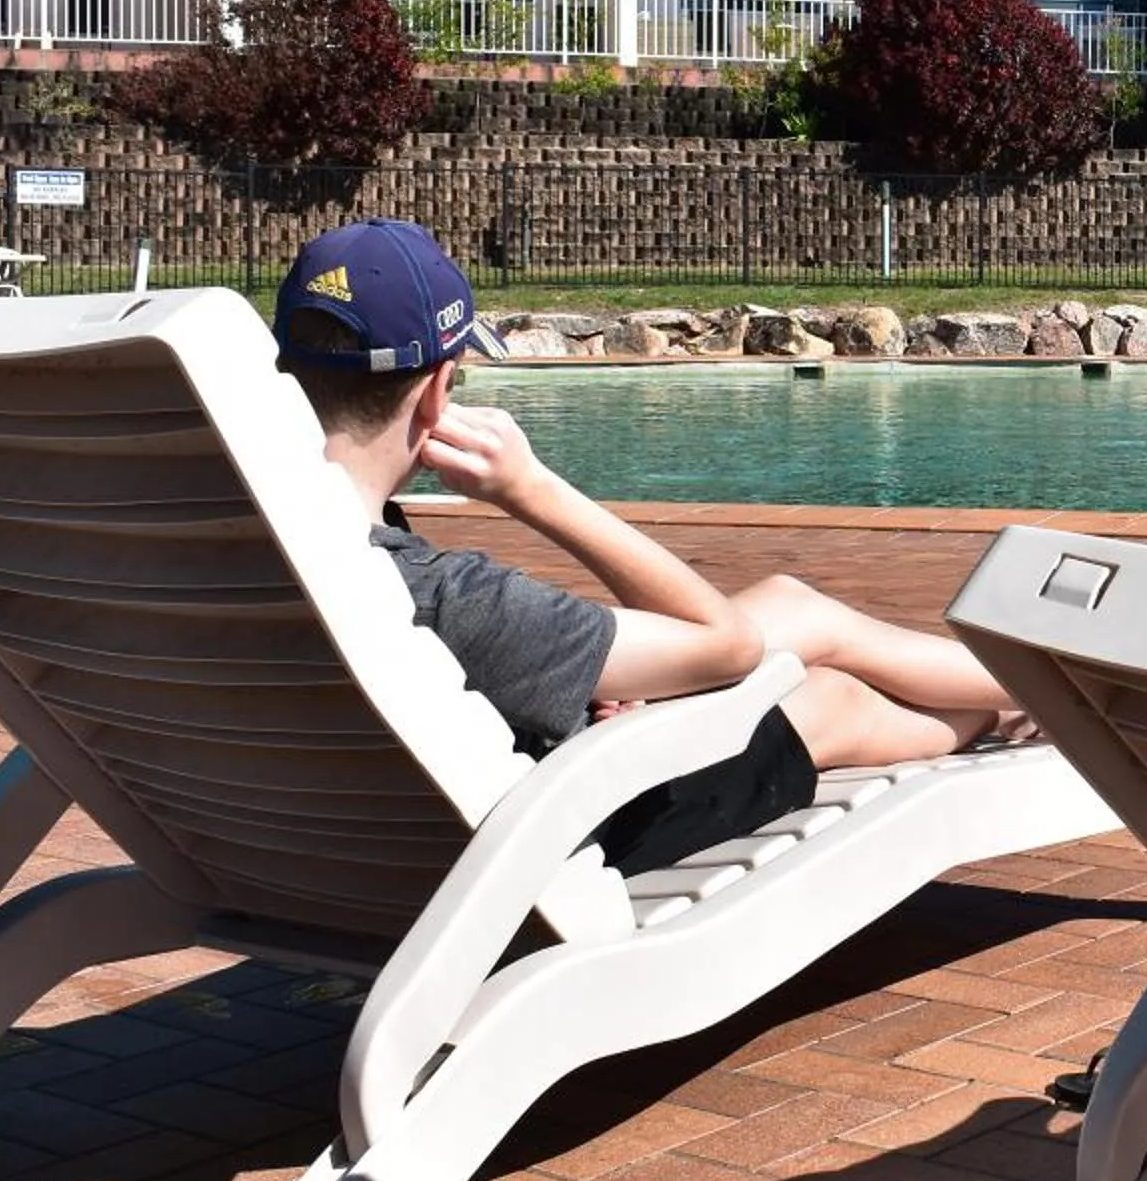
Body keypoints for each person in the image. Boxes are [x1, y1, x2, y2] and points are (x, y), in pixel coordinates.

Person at [270, 218, 1030, 875]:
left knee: (797, 610)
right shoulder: (439, 593)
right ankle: (1020, 711)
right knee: (828, 696)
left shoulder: (250, 542)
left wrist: (580, 668)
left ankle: (1030, 694)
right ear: (439, 391)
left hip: (353, 836)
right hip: (542, 838)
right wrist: (531, 489)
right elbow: (725, 646)